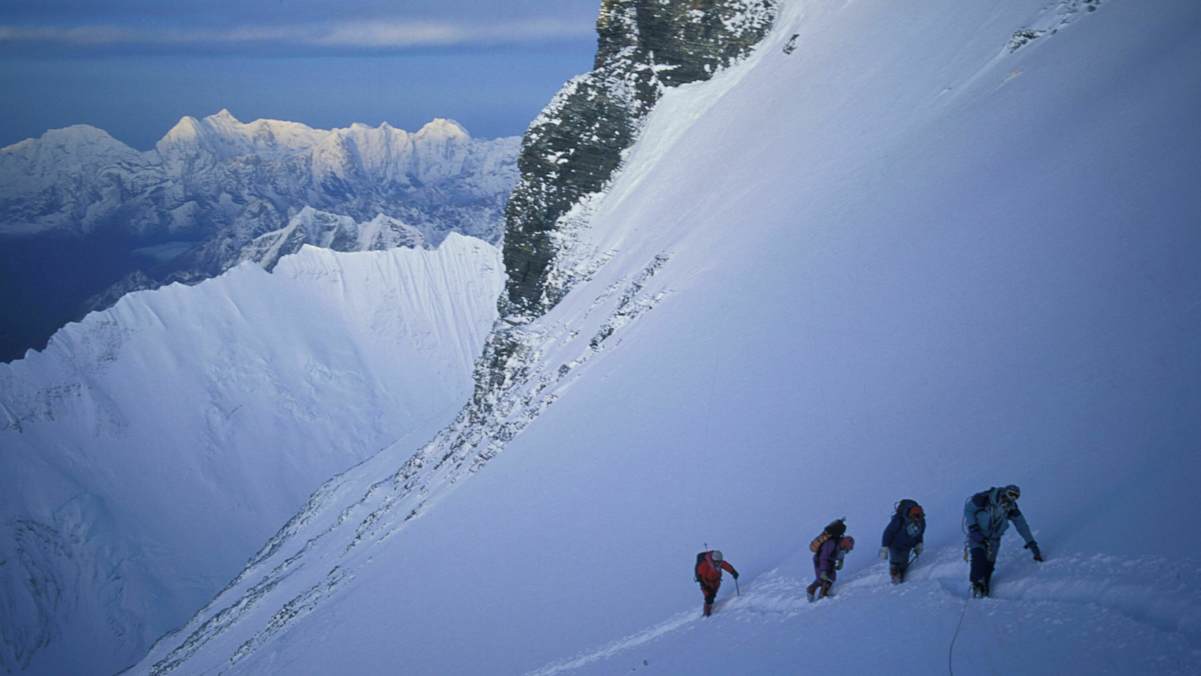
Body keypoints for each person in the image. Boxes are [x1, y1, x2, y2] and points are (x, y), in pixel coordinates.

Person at [963, 484, 1043, 598]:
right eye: (1011, 494)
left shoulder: (1012, 509)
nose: (1012, 498)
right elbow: (968, 510)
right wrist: (973, 528)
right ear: (1005, 492)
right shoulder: (984, 498)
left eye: (1016, 497)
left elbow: (1022, 526)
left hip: (994, 539)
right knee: (978, 556)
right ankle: (976, 584)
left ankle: (984, 587)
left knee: (989, 565)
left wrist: (1032, 543)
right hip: (978, 534)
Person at [806, 519, 855, 602]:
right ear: (845, 543)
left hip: (830, 562)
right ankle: (820, 595)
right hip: (820, 561)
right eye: (847, 548)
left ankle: (818, 592)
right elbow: (823, 557)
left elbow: (840, 554)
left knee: (831, 578)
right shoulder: (831, 543)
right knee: (824, 579)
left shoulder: (840, 545)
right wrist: (823, 570)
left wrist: (841, 562)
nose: (847, 550)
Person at [880, 499, 926, 584]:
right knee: (896, 562)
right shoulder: (899, 520)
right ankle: (896, 580)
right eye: (914, 517)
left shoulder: (922, 522)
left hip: (907, 546)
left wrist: (919, 544)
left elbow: (920, 534)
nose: (916, 519)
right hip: (895, 545)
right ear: (911, 514)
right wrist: (885, 547)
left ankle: (900, 578)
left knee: (903, 564)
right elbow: (888, 532)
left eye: (918, 517)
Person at [694, 549, 739, 617]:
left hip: (716, 581)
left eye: (719, 562)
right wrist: (706, 587)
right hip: (706, 583)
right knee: (708, 597)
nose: (719, 564)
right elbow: (701, 577)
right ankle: (706, 613)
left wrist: (733, 572)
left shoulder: (718, 562)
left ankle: (710, 606)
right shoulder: (705, 564)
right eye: (717, 562)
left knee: (713, 595)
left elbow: (725, 565)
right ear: (713, 560)